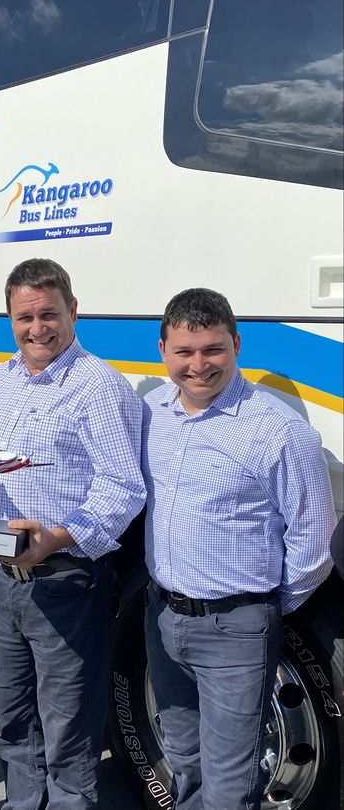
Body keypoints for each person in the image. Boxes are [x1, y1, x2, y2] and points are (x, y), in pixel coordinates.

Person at [142, 287, 335, 810]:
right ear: (162, 350)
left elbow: (313, 542)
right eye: (184, 352)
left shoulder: (279, 432)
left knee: (230, 785)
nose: (198, 365)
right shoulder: (151, 413)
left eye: (213, 349)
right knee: (184, 762)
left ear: (236, 345)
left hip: (235, 629)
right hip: (162, 617)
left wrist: (259, 611)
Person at [0, 258, 146, 810]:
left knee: (69, 729)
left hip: (64, 580)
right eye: (24, 317)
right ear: (9, 319)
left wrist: (58, 536)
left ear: (72, 310)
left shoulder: (98, 387)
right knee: (15, 721)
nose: (37, 328)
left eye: (48, 314)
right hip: (1, 578)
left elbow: (124, 487)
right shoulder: (4, 379)